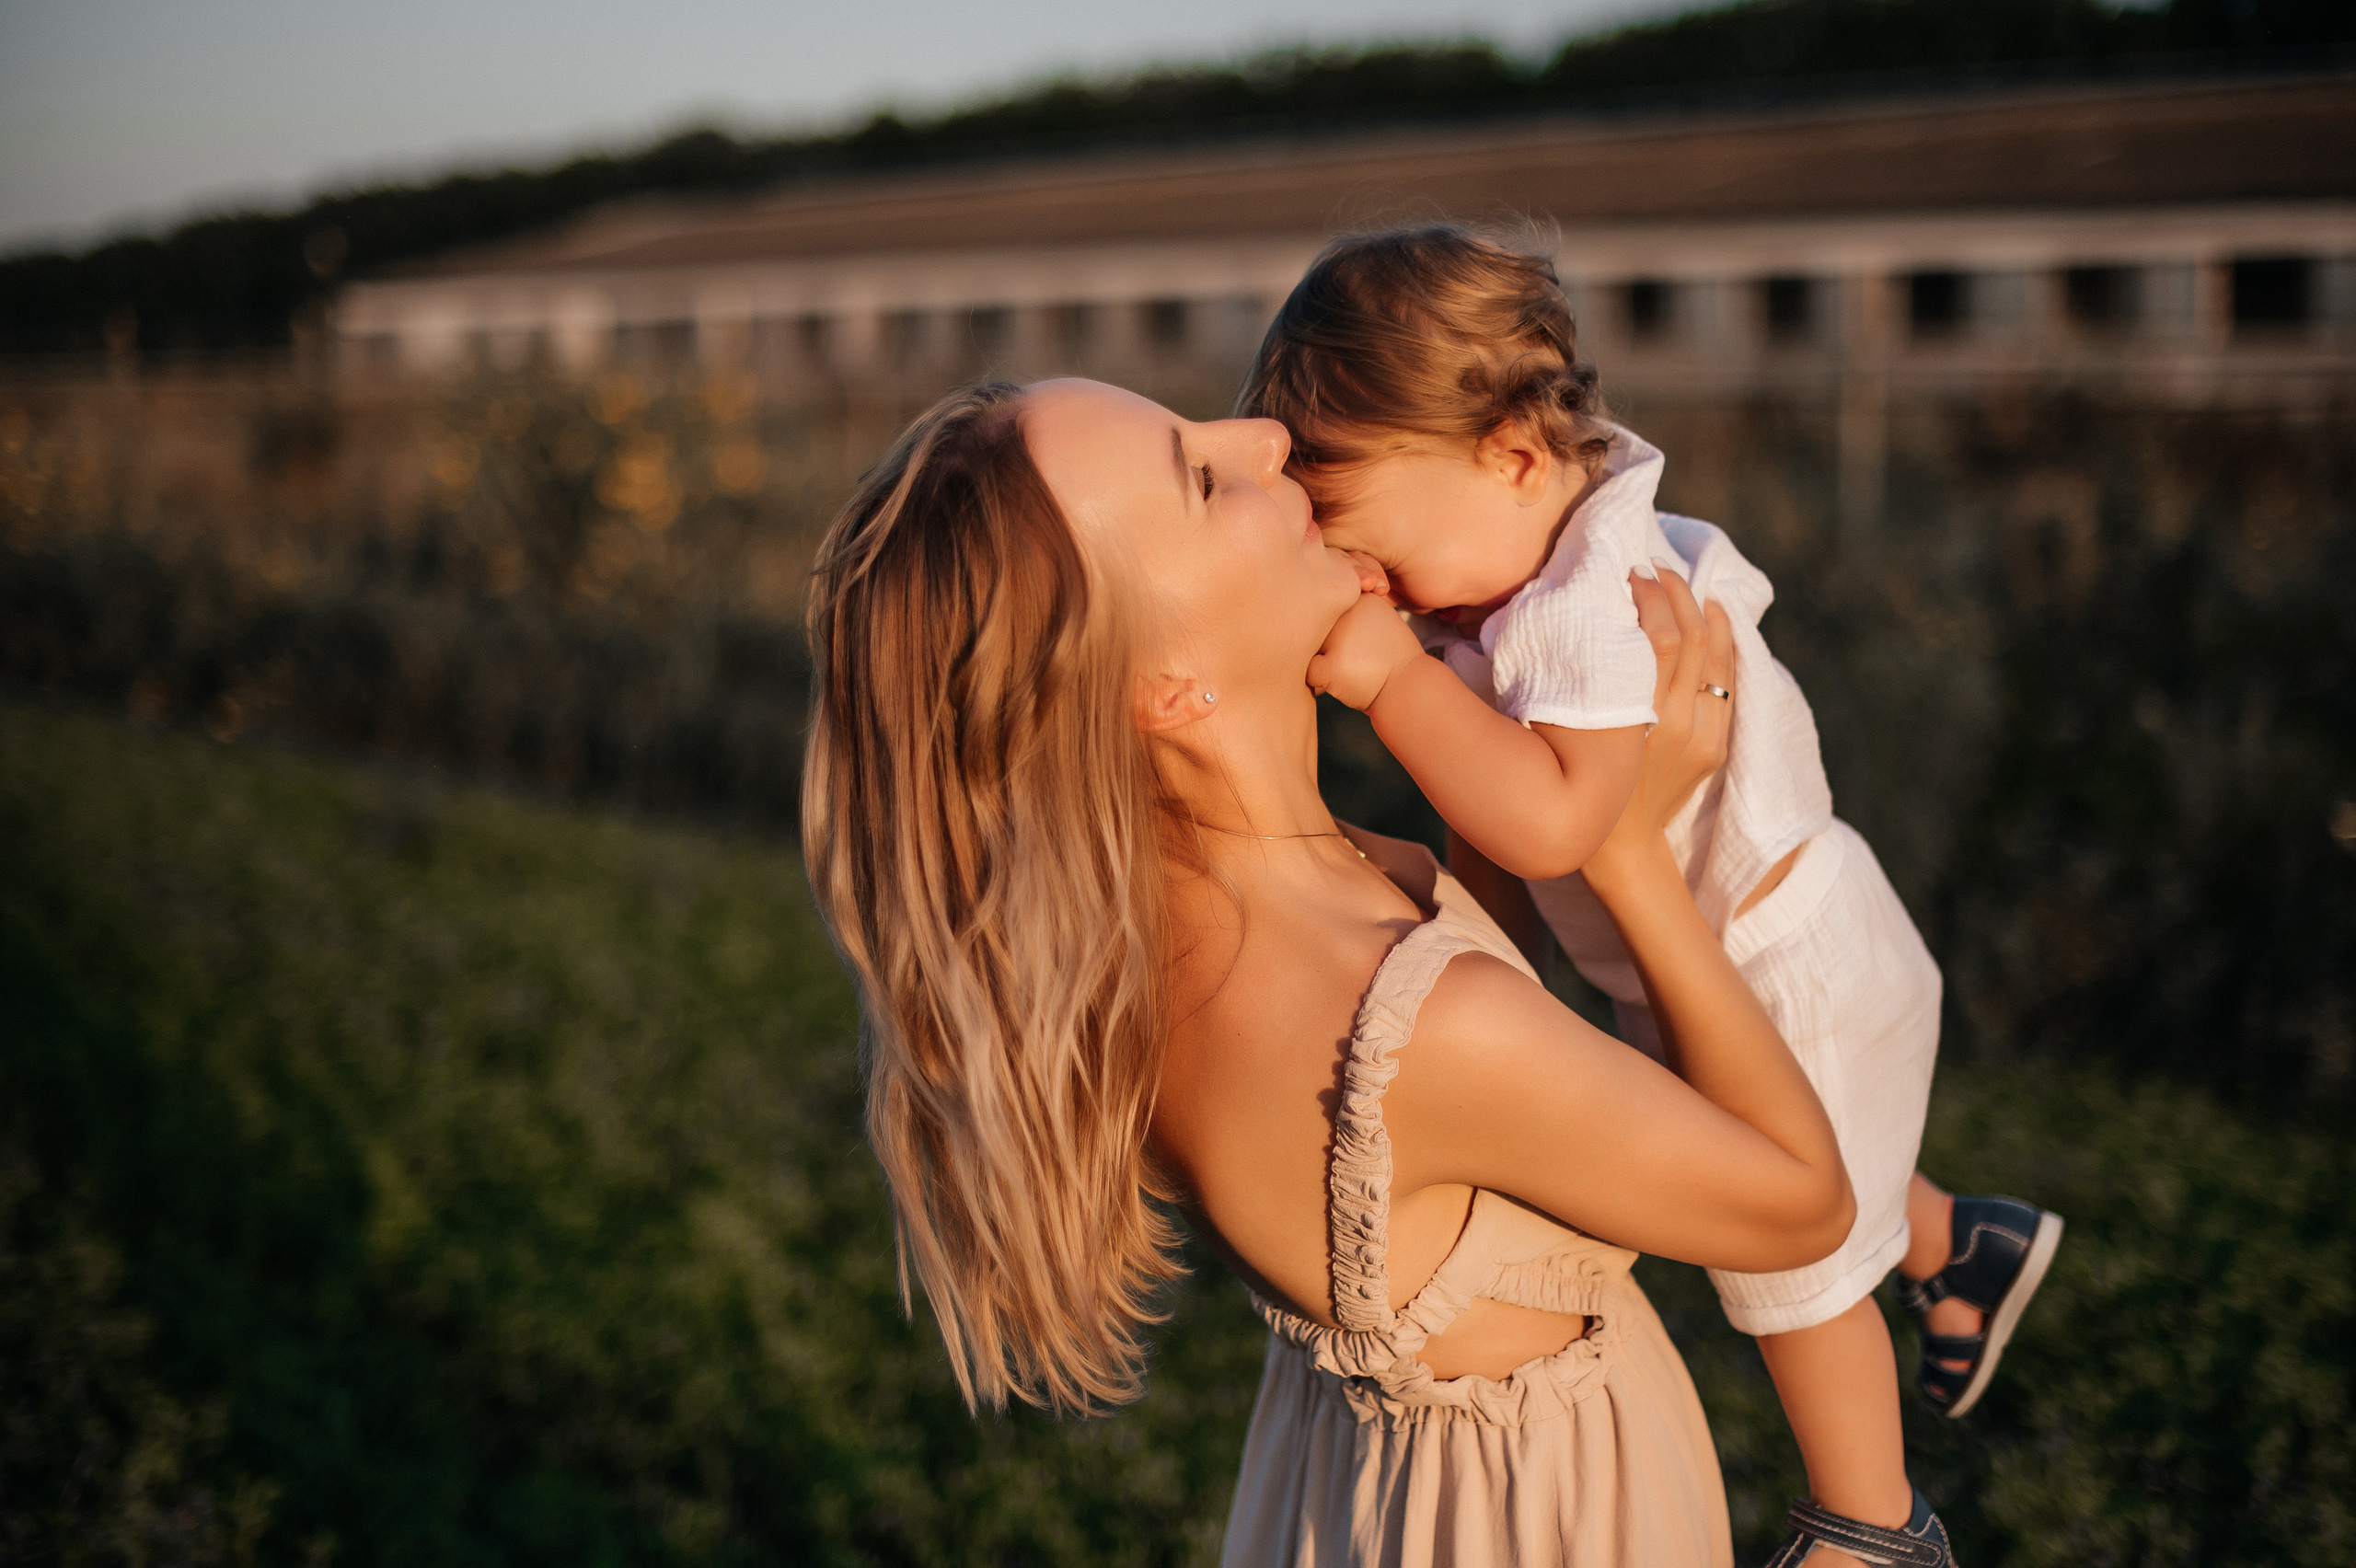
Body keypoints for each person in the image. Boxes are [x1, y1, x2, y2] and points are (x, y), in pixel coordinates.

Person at [801, 375, 1946, 1565]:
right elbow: (1800, 1204)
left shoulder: (1196, 914)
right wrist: (1630, 855)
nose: (1266, 439)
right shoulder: (1401, 1019)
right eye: (1200, 478)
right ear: (1164, 688)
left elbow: (1489, 1053)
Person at [1236, 224, 2065, 1563]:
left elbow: (1561, 822)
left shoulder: (1587, 607)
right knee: (1765, 1171)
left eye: (1376, 543)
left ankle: (1873, 1524)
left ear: (1509, 455)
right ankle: (1956, 1241)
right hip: (1727, 954)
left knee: (1791, 1272)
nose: (1374, 585)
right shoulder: (1528, 552)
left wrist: (1395, 681)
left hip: (1780, 963)